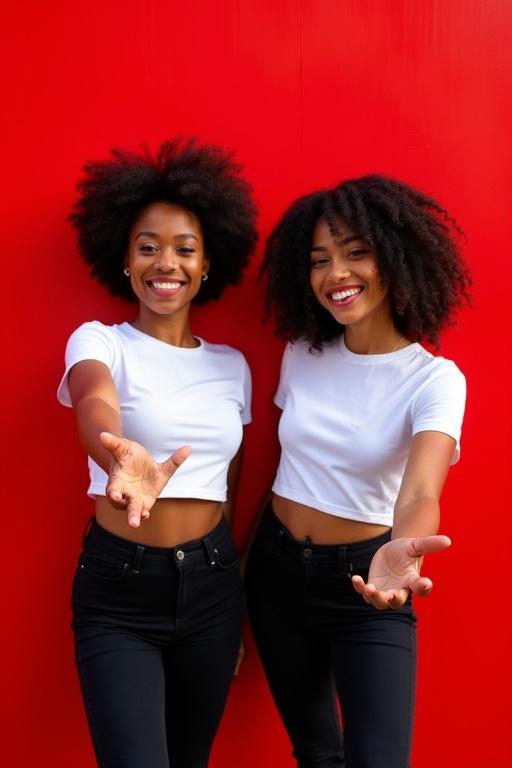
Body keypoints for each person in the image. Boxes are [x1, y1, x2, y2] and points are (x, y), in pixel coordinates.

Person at [245, 175, 470, 768]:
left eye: (355, 253)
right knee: (317, 753)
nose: (335, 274)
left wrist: (403, 550)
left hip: (369, 580)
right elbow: (281, 467)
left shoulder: (434, 379)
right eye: (320, 260)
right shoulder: (302, 353)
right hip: (273, 574)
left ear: (396, 257)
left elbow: (422, 488)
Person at [57, 138, 257, 768]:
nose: (164, 263)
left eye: (183, 250)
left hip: (214, 587)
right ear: (123, 258)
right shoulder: (100, 341)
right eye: (147, 247)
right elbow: (95, 404)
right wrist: (119, 454)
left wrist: (235, 582)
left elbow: (232, 475)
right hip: (121, 587)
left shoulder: (233, 367)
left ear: (205, 267)